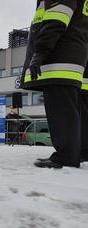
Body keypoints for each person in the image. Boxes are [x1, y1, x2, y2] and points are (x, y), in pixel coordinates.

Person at [20, 0, 88, 168]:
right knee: (77, 108)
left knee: (61, 107)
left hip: (60, 55)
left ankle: (66, 155)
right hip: (76, 54)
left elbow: (58, 16)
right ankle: (81, 151)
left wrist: (40, 51)